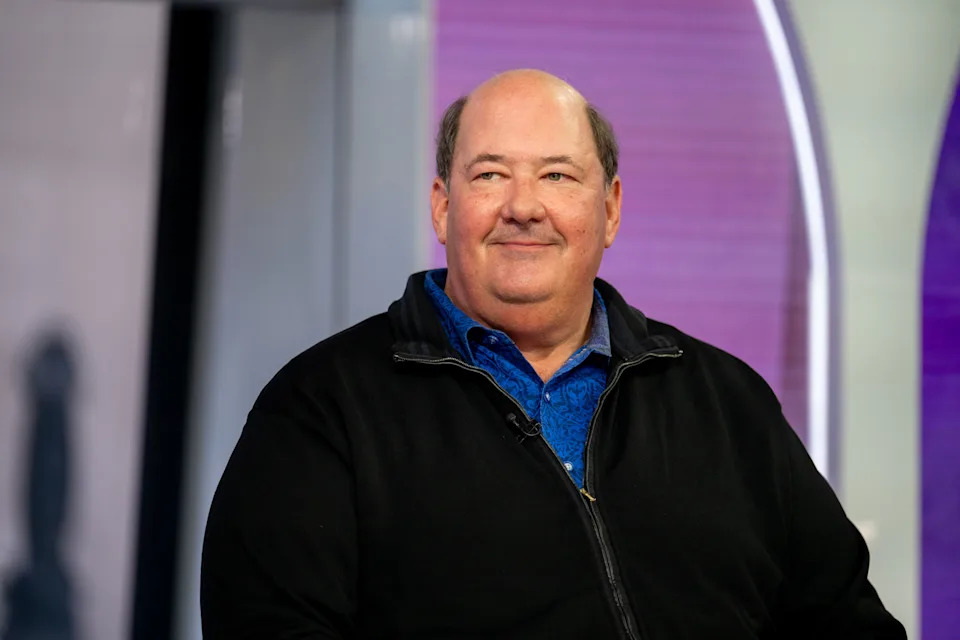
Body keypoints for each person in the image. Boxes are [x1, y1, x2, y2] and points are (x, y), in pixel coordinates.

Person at [200, 69, 906, 639]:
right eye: (490, 175)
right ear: (443, 208)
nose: (524, 206)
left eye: (559, 176)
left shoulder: (729, 404)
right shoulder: (320, 412)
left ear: (612, 209)